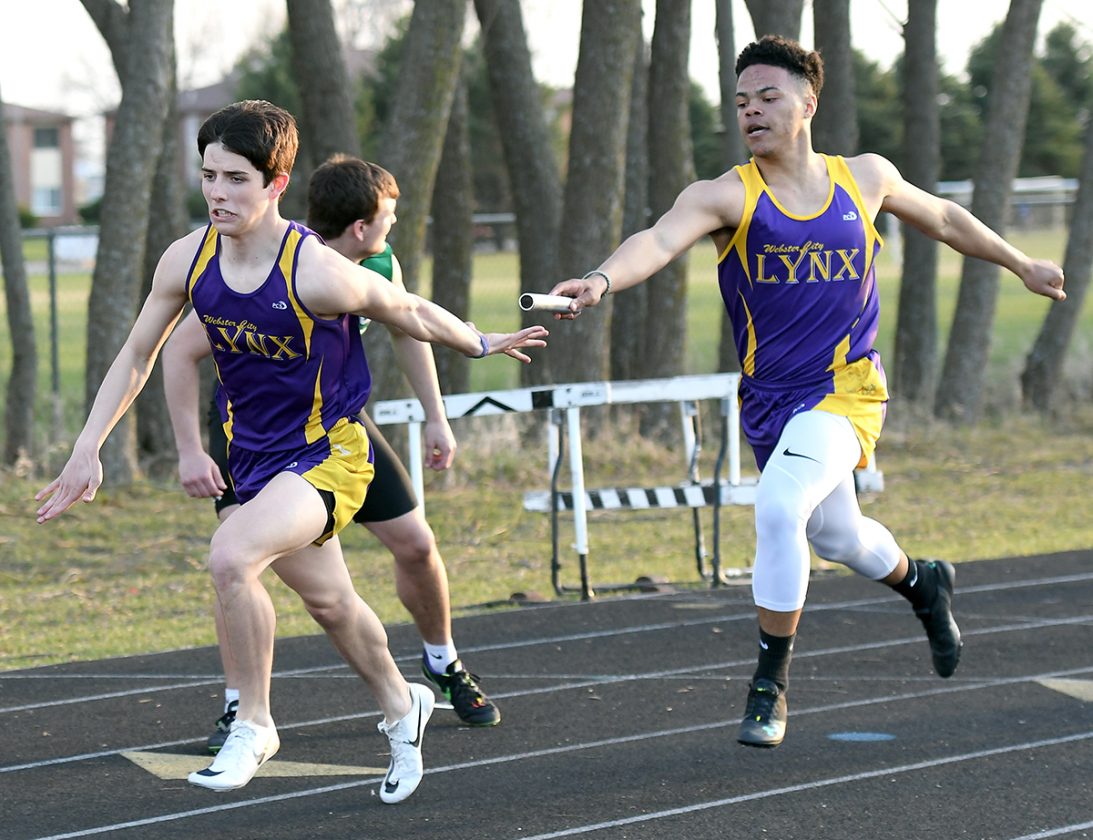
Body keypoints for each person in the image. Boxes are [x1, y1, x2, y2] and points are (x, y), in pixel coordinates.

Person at [548, 35, 1065, 749]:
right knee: (836, 536)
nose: (751, 112)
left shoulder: (866, 178)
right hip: (771, 400)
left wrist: (1019, 262)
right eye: (741, 102)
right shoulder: (724, 194)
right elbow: (659, 240)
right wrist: (600, 279)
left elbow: (946, 220)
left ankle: (769, 685)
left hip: (847, 389)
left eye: (767, 97)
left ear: (808, 103)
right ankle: (923, 582)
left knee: (778, 506)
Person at [35, 100, 547, 798]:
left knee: (231, 556)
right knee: (332, 603)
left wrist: (481, 342)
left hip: (330, 453)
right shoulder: (188, 258)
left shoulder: (315, 270)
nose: (218, 193)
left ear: (276, 184)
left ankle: (253, 722)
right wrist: (87, 446)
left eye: (236, 179)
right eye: (209, 176)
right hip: (254, 457)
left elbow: (407, 309)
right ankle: (404, 705)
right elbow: (138, 354)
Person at [163, 155, 500, 756]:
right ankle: (242, 703)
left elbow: (410, 324)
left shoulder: (378, 264)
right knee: (239, 560)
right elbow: (175, 348)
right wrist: (188, 448)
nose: (394, 226)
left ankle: (441, 662)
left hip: (333, 430)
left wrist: (437, 415)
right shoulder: (283, 263)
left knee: (415, 544)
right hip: (251, 432)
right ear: (361, 226)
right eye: (389, 216)